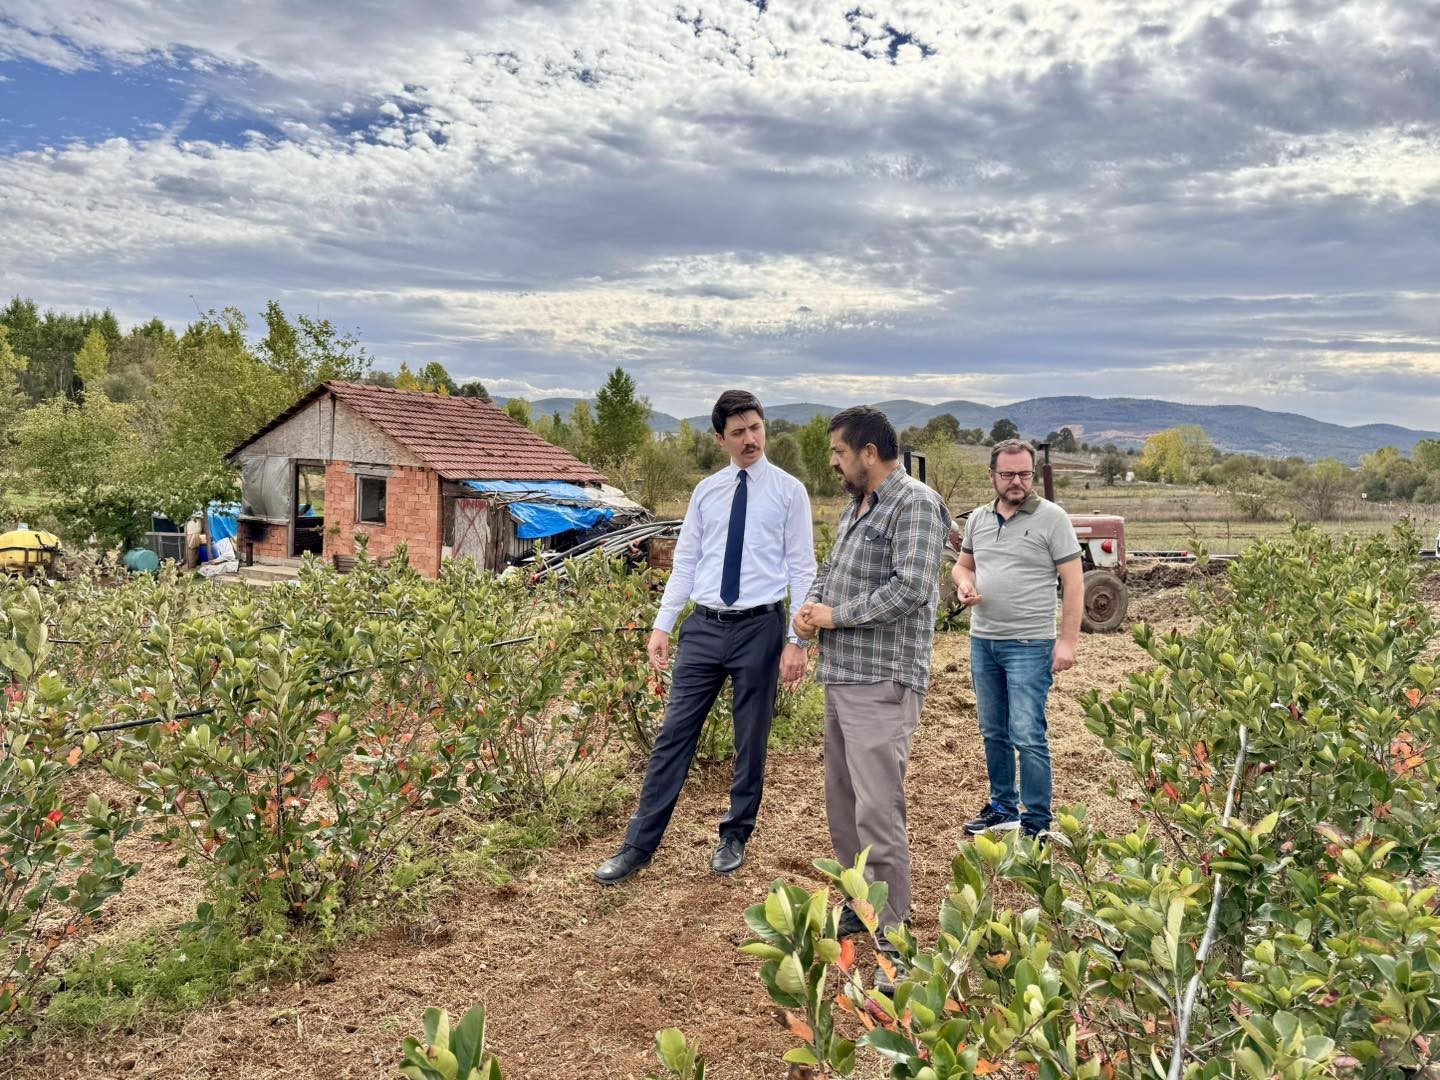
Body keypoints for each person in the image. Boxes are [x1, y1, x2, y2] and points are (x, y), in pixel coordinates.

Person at [595, 390, 815, 886]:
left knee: (750, 737)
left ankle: (734, 835)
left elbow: (803, 568)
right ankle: (638, 846)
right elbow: (686, 561)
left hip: (760, 627)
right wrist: (663, 624)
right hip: (704, 628)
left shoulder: (788, 491)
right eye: (738, 432)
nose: (750, 439)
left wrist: (795, 639)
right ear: (721, 439)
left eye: (755, 428)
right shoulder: (706, 493)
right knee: (673, 735)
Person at [793, 406, 949, 993]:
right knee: (845, 807)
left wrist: (837, 616)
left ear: (867, 451)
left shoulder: (914, 504)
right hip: (843, 676)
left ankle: (894, 947)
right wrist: (808, 613)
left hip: (883, 679)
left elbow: (912, 588)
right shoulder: (855, 508)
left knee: (879, 813)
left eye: (837, 451)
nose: (832, 461)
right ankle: (861, 916)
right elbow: (831, 571)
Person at [951, 438, 1083, 841]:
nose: (1017, 482)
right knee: (993, 730)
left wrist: (1068, 642)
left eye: (1024, 474)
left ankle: (1037, 820)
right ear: (992, 475)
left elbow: (1074, 583)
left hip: (1030, 644)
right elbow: (962, 567)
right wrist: (964, 585)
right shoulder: (978, 519)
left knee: (1027, 732)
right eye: (1007, 474)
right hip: (984, 641)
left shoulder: (1052, 518)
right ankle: (1002, 808)